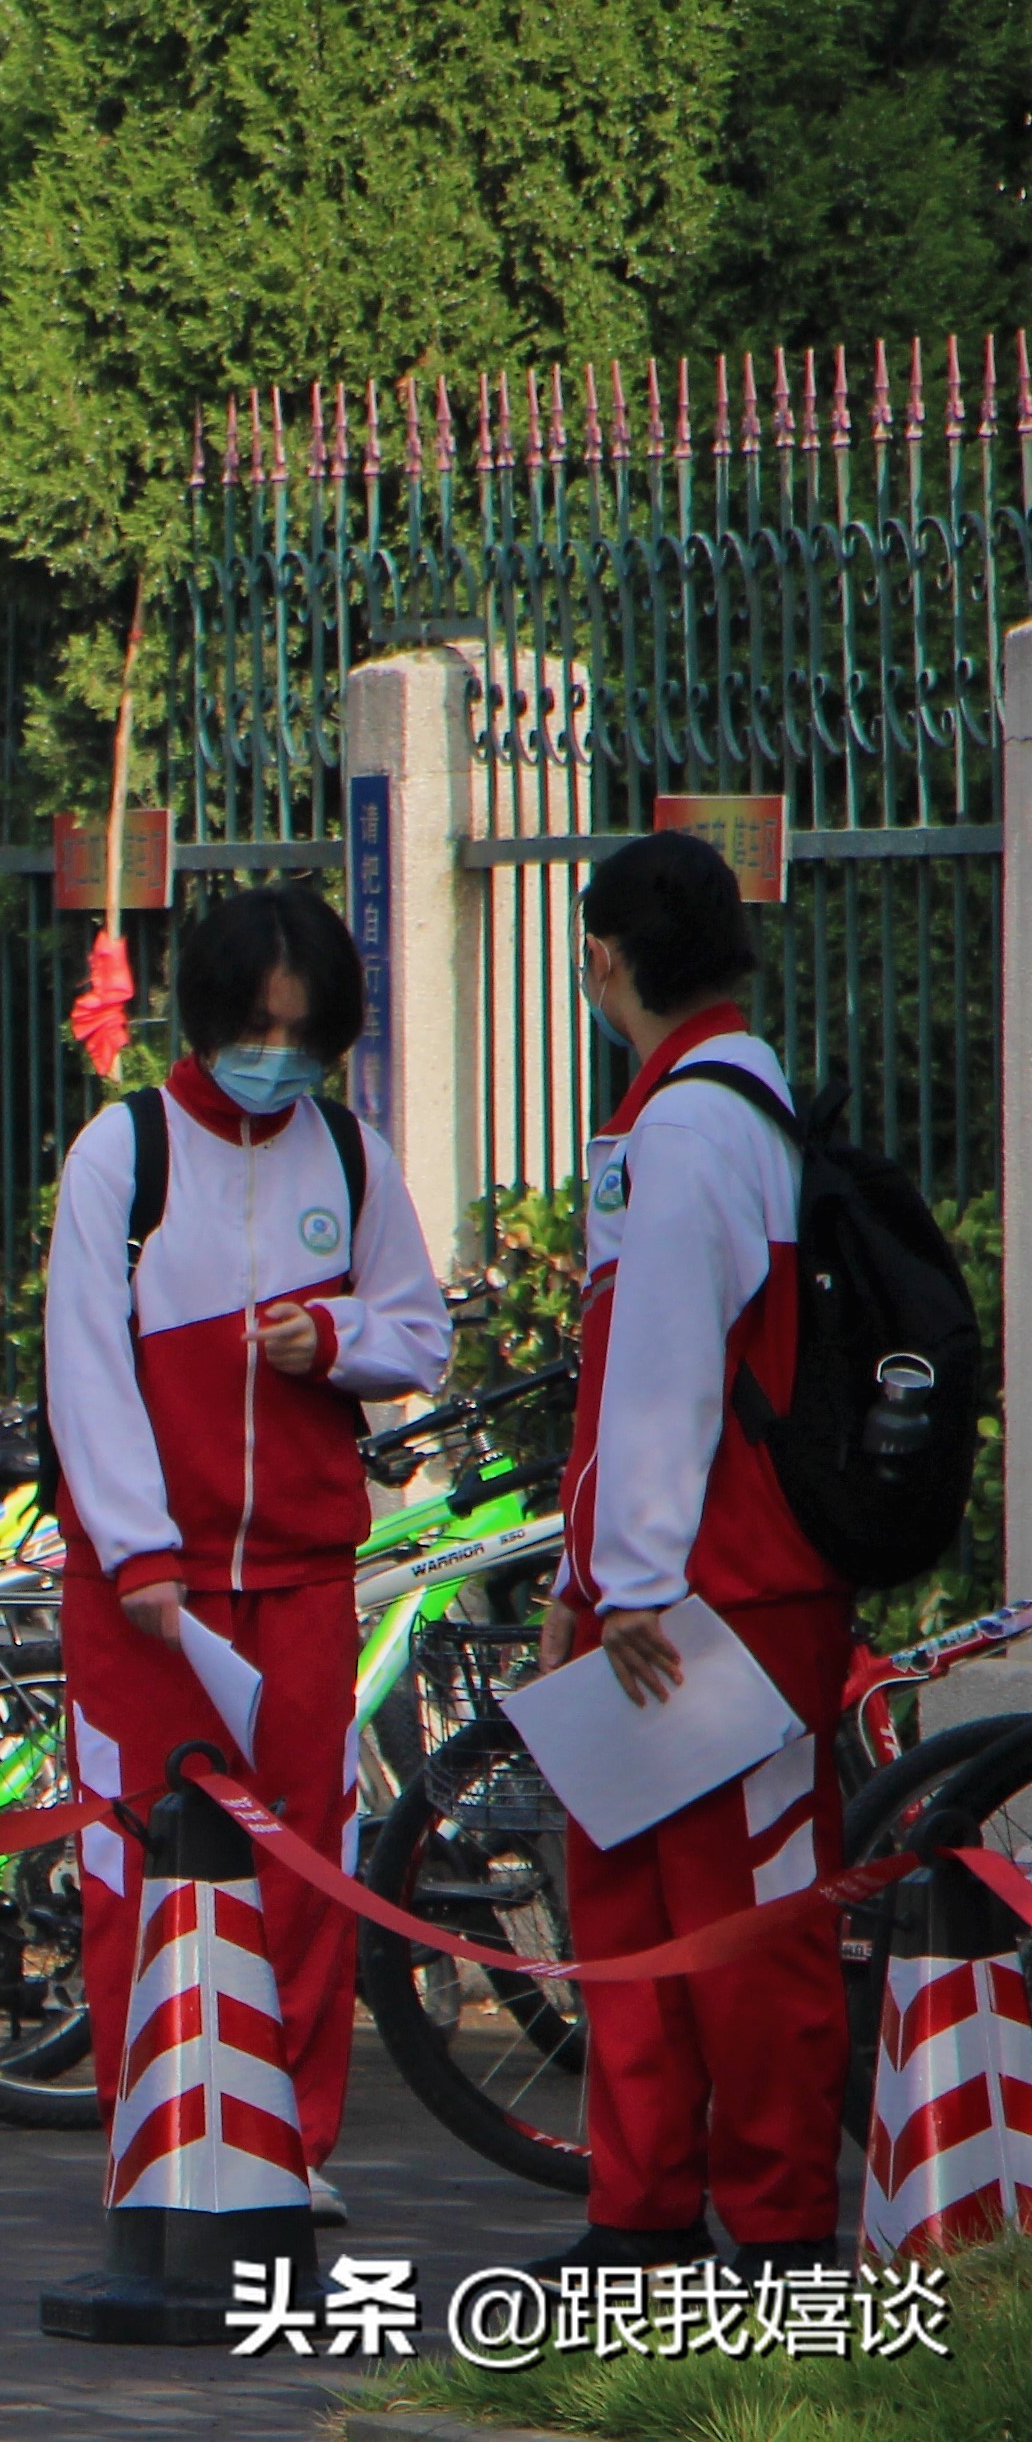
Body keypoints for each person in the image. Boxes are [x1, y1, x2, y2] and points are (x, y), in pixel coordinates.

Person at [41, 882, 446, 2224]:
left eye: (305, 1032)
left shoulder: (348, 1150)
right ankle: (146, 2129)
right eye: (257, 1025)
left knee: (307, 1866)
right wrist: (137, 1549)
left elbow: (418, 1331)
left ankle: (295, 2139)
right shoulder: (124, 1152)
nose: (277, 1053)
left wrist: (333, 1341)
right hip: (148, 1595)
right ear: (205, 1016)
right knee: (142, 1863)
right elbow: (83, 1369)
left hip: (304, 1578)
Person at [542, 831, 845, 2271]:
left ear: (601, 958)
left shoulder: (682, 1129)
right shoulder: (749, 1099)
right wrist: (584, 1577)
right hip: (687, 1586)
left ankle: (762, 2232)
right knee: (666, 1907)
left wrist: (625, 1583)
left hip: (709, 1596)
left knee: (728, 1922)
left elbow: (657, 1370)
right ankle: (646, 2215)